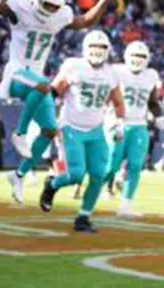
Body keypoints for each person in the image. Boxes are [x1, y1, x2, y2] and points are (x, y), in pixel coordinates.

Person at [0, 0, 117, 204]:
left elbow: (84, 21)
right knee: (43, 85)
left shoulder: (60, 15)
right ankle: (19, 133)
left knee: (50, 130)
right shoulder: (20, 7)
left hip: (36, 82)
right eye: (47, 4)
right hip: (17, 74)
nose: (50, 9)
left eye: (54, 5)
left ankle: (18, 175)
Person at [39, 30, 125, 233]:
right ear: (86, 48)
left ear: (108, 50)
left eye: (101, 47)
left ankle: (83, 217)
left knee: (99, 174)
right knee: (76, 174)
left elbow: (118, 101)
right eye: (93, 47)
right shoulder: (73, 66)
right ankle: (52, 184)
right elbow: (54, 91)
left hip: (96, 129)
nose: (97, 51)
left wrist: (119, 122)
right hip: (72, 126)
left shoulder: (111, 73)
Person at [104, 41, 161, 217]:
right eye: (135, 56)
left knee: (136, 165)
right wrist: (108, 119)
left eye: (142, 56)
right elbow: (105, 96)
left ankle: (125, 207)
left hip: (139, 125)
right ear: (127, 56)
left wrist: (160, 116)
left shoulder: (151, 75)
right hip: (118, 123)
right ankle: (94, 190)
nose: (138, 60)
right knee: (111, 166)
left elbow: (152, 101)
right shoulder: (116, 71)